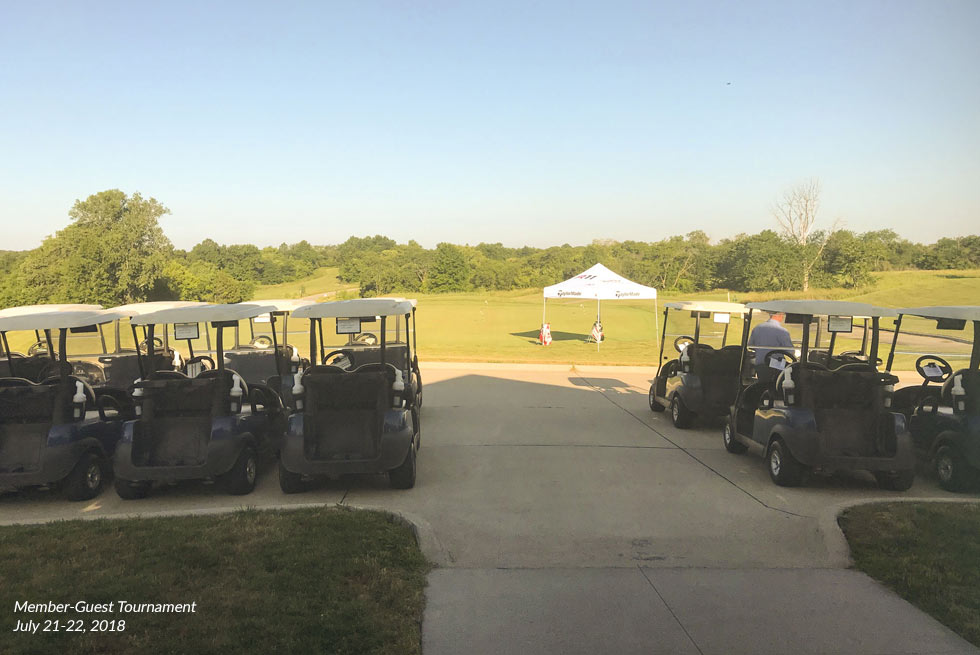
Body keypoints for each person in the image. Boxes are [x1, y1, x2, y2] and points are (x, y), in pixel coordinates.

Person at [748, 312, 794, 384]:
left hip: (760, 364)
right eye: (782, 315)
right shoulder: (782, 331)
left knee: (763, 384)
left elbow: (751, 345)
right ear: (779, 315)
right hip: (777, 366)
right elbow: (790, 351)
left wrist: (762, 350)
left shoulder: (757, 328)